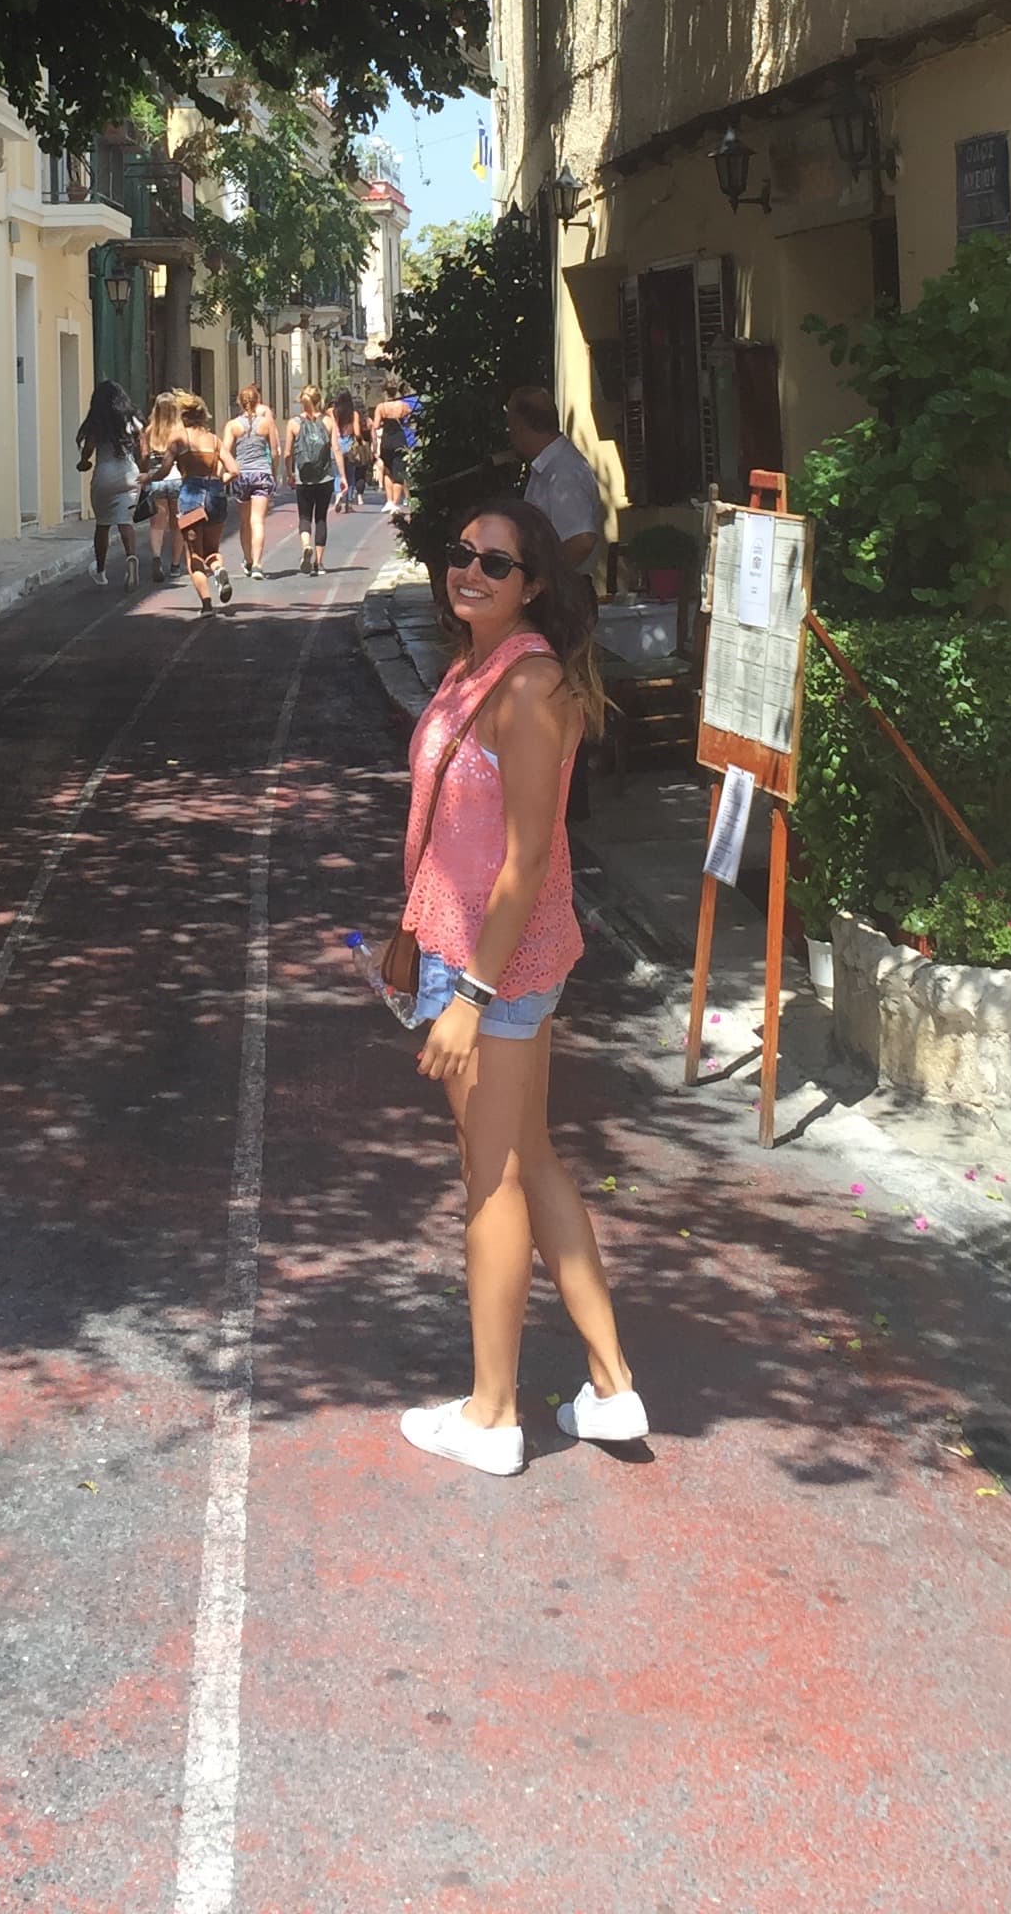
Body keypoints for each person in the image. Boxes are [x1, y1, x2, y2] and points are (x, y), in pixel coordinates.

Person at [394, 496, 646, 1477]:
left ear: (533, 582)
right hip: (463, 953)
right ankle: (612, 1386)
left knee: (490, 1177)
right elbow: (453, 824)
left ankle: (494, 1415)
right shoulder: (478, 667)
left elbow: (528, 856)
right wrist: (418, 933)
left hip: (492, 972)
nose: (471, 572)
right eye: (461, 555)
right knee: (530, 1162)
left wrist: (466, 995)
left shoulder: (531, 685)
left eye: (496, 564)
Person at [505, 386, 603, 581]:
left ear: (520, 426)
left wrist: (543, 581)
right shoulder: (548, 466)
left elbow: (582, 540)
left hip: (565, 594)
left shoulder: (563, 470)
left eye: (510, 426)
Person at [167, 396, 235, 614]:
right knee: (213, 550)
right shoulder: (215, 440)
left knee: (194, 556)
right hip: (215, 495)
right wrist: (217, 482)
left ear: (184, 416)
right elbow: (234, 470)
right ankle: (218, 569)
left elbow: (165, 469)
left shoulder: (179, 438)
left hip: (190, 497)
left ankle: (206, 605)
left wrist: (149, 477)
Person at [77, 379, 145, 586]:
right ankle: (131, 558)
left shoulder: (98, 422)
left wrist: (83, 462)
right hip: (129, 473)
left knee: (103, 524)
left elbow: (88, 449)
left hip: (104, 476)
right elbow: (144, 448)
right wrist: (145, 471)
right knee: (126, 521)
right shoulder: (132, 419)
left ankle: (100, 569)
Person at [225, 381, 281, 580]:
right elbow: (274, 452)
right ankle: (258, 564)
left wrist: (229, 472)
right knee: (258, 521)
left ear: (240, 403)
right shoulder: (267, 423)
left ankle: (248, 559)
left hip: (241, 475)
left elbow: (225, 452)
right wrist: (273, 473)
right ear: (257, 402)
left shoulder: (232, 426)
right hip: (261, 474)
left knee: (244, 521)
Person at [288, 385, 344, 575]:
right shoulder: (328, 421)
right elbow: (336, 449)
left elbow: (288, 453)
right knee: (321, 518)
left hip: (303, 478)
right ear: (319, 400)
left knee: (304, 516)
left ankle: (305, 546)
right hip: (325, 477)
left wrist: (289, 473)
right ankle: (319, 563)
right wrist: (343, 476)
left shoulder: (294, 423)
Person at [138, 390, 185, 583]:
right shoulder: (180, 431)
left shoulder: (149, 431)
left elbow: (143, 456)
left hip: (156, 479)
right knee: (177, 525)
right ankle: (175, 565)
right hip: (177, 478)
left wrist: (145, 475)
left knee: (157, 524)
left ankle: (156, 557)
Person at [372, 379, 412, 515]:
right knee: (399, 472)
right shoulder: (404, 406)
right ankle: (395, 503)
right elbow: (409, 421)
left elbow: (376, 425)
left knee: (387, 471)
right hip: (399, 439)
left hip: (386, 440)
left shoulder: (381, 407)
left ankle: (388, 501)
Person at [331, 390, 365, 512]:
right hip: (349, 445)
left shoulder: (333, 412)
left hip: (336, 444)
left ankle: (338, 495)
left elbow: (332, 429)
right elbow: (357, 432)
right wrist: (360, 441)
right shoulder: (353, 414)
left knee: (338, 474)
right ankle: (348, 503)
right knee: (350, 475)